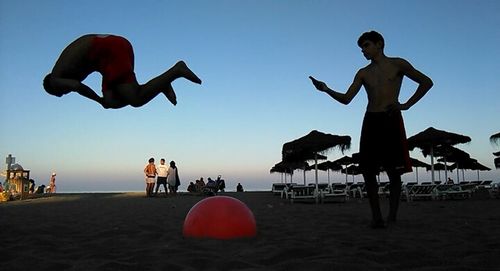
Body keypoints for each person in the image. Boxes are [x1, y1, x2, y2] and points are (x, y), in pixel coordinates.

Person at [310, 31, 433, 228]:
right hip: (371, 121)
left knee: (394, 172)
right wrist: (326, 89)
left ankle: (392, 216)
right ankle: (377, 218)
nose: (363, 51)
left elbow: (426, 82)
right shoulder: (363, 73)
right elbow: (346, 99)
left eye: (366, 46)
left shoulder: (398, 64)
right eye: (361, 48)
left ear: (380, 44)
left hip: (391, 119)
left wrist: (407, 105)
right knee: (368, 171)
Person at [43, 34, 202, 109]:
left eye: (62, 93)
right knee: (111, 101)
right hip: (106, 55)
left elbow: (77, 87)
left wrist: (98, 100)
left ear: (54, 87)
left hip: (110, 50)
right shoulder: (61, 69)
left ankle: (176, 71)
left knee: (136, 98)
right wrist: (103, 101)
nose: (65, 91)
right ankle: (160, 84)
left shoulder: (55, 79)